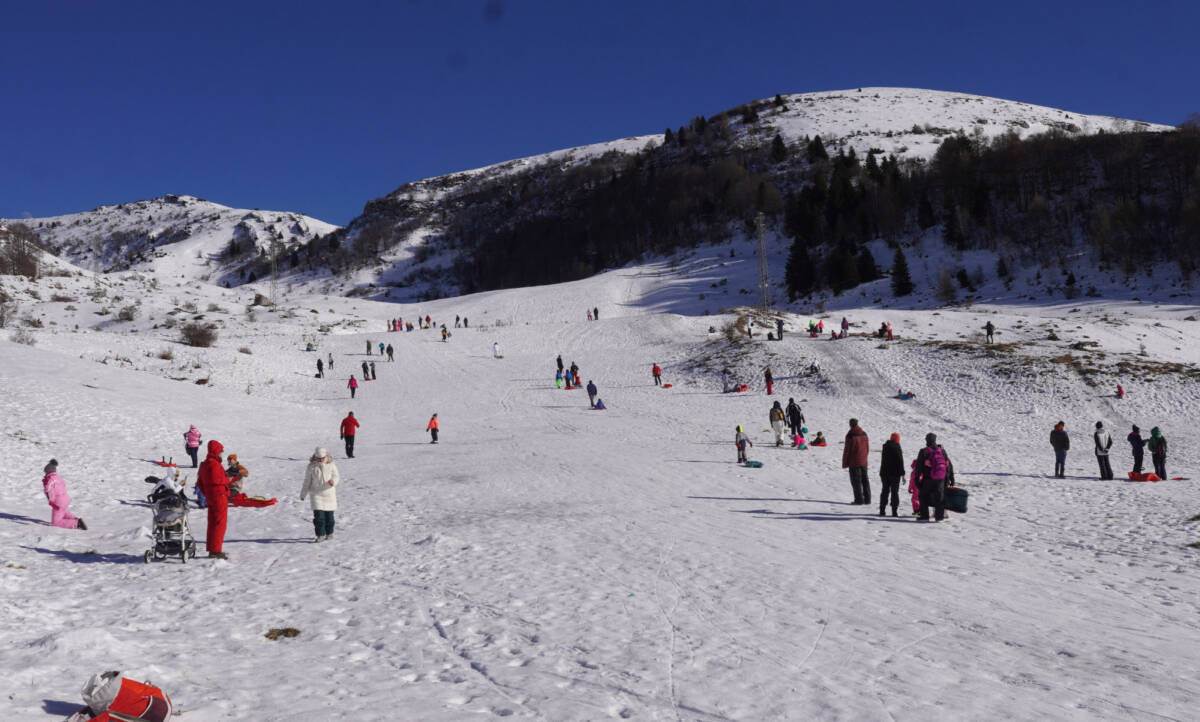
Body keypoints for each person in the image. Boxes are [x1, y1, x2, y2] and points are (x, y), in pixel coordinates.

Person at [197, 440, 231, 558]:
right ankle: (216, 551)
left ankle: (213, 549)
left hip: (211, 497)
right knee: (219, 524)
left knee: (212, 523)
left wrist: (207, 493)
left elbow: (200, 482)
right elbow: (217, 480)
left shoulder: (204, 464)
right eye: (221, 451)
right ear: (216, 451)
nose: (221, 453)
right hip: (219, 497)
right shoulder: (214, 464)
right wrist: (227, 480)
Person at [300, 447, 340, 542]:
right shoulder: (311, 467)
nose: (321, 460)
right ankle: (320, 535)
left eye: (322, 458)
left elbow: (336, 476)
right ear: (315, 457)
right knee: (319, 517)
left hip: (329, 495)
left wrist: (333, 481)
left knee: (329, 518)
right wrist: (303, 493)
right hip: (316, 494)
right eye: (318, 458)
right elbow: (307, 481)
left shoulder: (331, 465)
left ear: (326, 456)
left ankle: (329, 533)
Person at [914, 433, 953, 522]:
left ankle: (924, 516)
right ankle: (939, 517)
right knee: (939, 498)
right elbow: (947, 465)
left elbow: (918, 467)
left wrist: (917, 480)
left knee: (923, 496)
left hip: (928, 479)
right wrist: (947, 479)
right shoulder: (942, 451)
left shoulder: (923, 451)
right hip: (940, 479)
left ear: (927, 440)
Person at [41, 459, 86, 530]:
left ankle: (76, 523)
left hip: (58, 502)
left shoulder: (50, 479)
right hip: (65, 499)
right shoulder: (59, 478)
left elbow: (48, 489)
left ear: (48, 471)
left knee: (56, 522)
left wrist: (51, 500)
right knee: (63, 512)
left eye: (45, 472)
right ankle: (76, 519)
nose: (45, 474)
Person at [842, 419, 871, 505]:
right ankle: (867, 499)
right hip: (863, 461)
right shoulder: (864, 433)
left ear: (850, 424)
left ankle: (859, 500)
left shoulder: (850, 435)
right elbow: (867, 447)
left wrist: (845, 463)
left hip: (854, 462)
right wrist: (865, 457)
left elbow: (847, 450)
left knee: (856, 481)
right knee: (865, 480)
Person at [879, 433, 905, 517]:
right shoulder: (897, 447)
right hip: (895, 474)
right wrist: (902, 473)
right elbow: (900, 462)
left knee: (885, 491)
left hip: (884, 473)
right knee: (894, 492)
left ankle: (882, 510)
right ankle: (894, 511)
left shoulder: (885, 446)